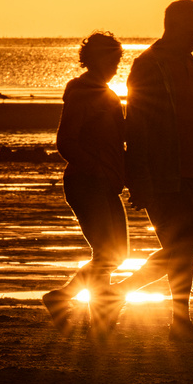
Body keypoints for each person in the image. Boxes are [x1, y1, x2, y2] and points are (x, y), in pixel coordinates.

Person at [109, 0, 193, 343]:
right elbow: (137, 125)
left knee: (186, 245)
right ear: (176, 27)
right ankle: (122, 296)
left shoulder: (188, 62)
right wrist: (140, 179)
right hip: (161, 172)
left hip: (188, 172)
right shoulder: (148, 65)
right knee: (182, 244)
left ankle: (178, 321)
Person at [43, 32, 128, 329]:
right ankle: (98, 313)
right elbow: (66, 141)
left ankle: (67, 299)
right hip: (87, 183)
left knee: (115, 253)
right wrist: (97, 168)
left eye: (118, 60)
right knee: (107, 252)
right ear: (93, 59)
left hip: (106, 183)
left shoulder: (107, 92)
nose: (116, 66)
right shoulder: (80, 92)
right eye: (112, 59)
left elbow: (118, 140)